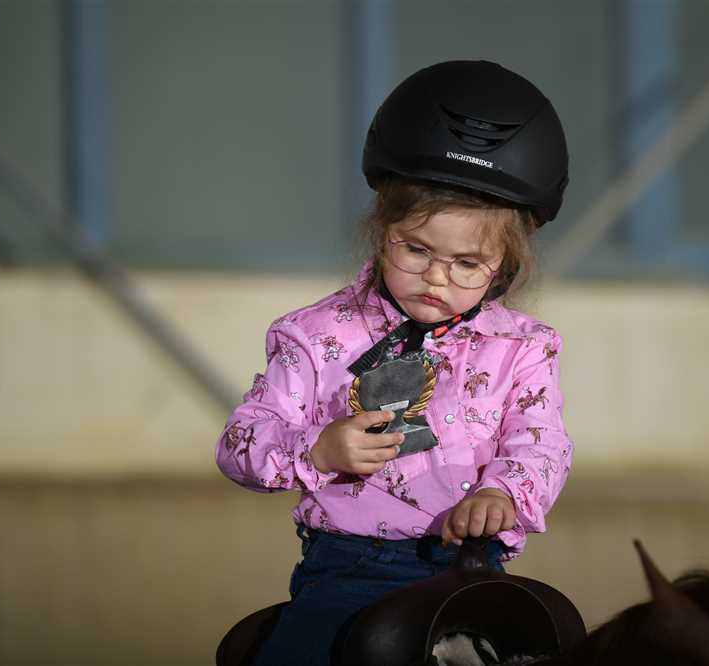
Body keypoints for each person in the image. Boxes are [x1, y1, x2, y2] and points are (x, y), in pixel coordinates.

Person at [215, 59, 572, 666]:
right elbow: (239, 443)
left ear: (505, 265)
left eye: (467, 264)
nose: (437, 277)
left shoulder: (525, 347)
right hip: (352, 568)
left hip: (473, 568)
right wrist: (317, 450)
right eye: (416, 250)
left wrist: (504, 492)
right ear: (382, 229)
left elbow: (542, 442)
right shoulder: (314, 335)